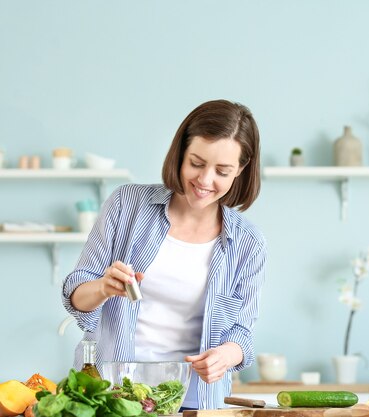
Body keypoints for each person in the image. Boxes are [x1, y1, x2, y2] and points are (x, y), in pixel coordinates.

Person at [62, 99, 266, 410]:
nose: (205, 180)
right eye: (196, 163)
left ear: (240, 170)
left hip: (195, 403)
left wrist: (225, 355)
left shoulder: (248, 244)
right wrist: (103, 287)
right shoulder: (126, 205)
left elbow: (242, 335)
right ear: (181, 153)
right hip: (111, 396)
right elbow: (76, 298)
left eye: (222, 171)